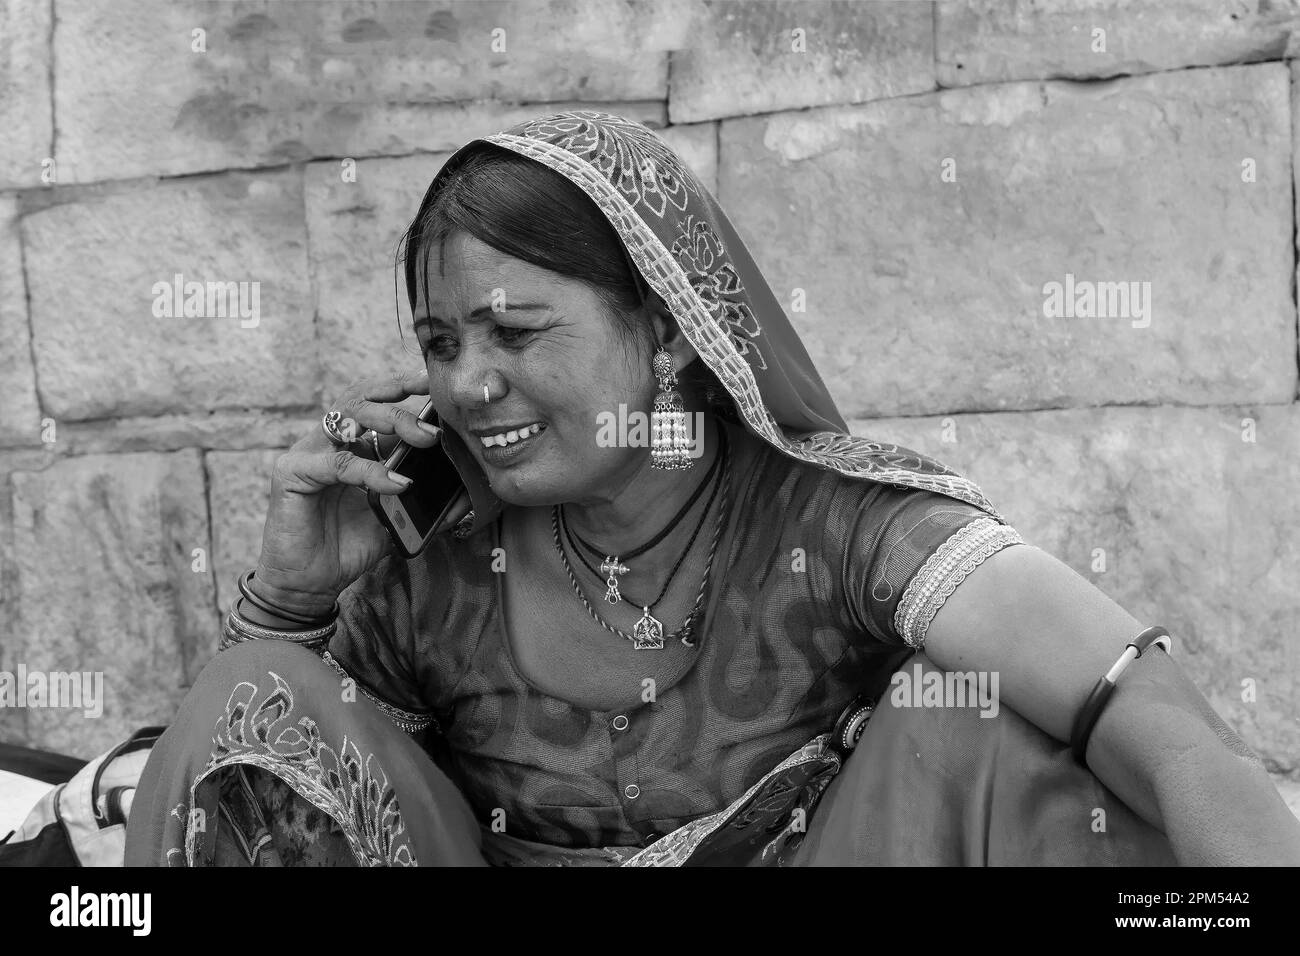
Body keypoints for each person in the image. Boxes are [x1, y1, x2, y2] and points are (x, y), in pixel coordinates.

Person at [125, 110, 1300, 866]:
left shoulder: (838, 525)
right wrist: (290, 606)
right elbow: (242, 795)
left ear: (670, 331)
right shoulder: (432, 560)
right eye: (439, 344)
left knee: (973, 722)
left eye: (515, 329)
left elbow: (1156, 726)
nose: (472, 384)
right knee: (255, 688)